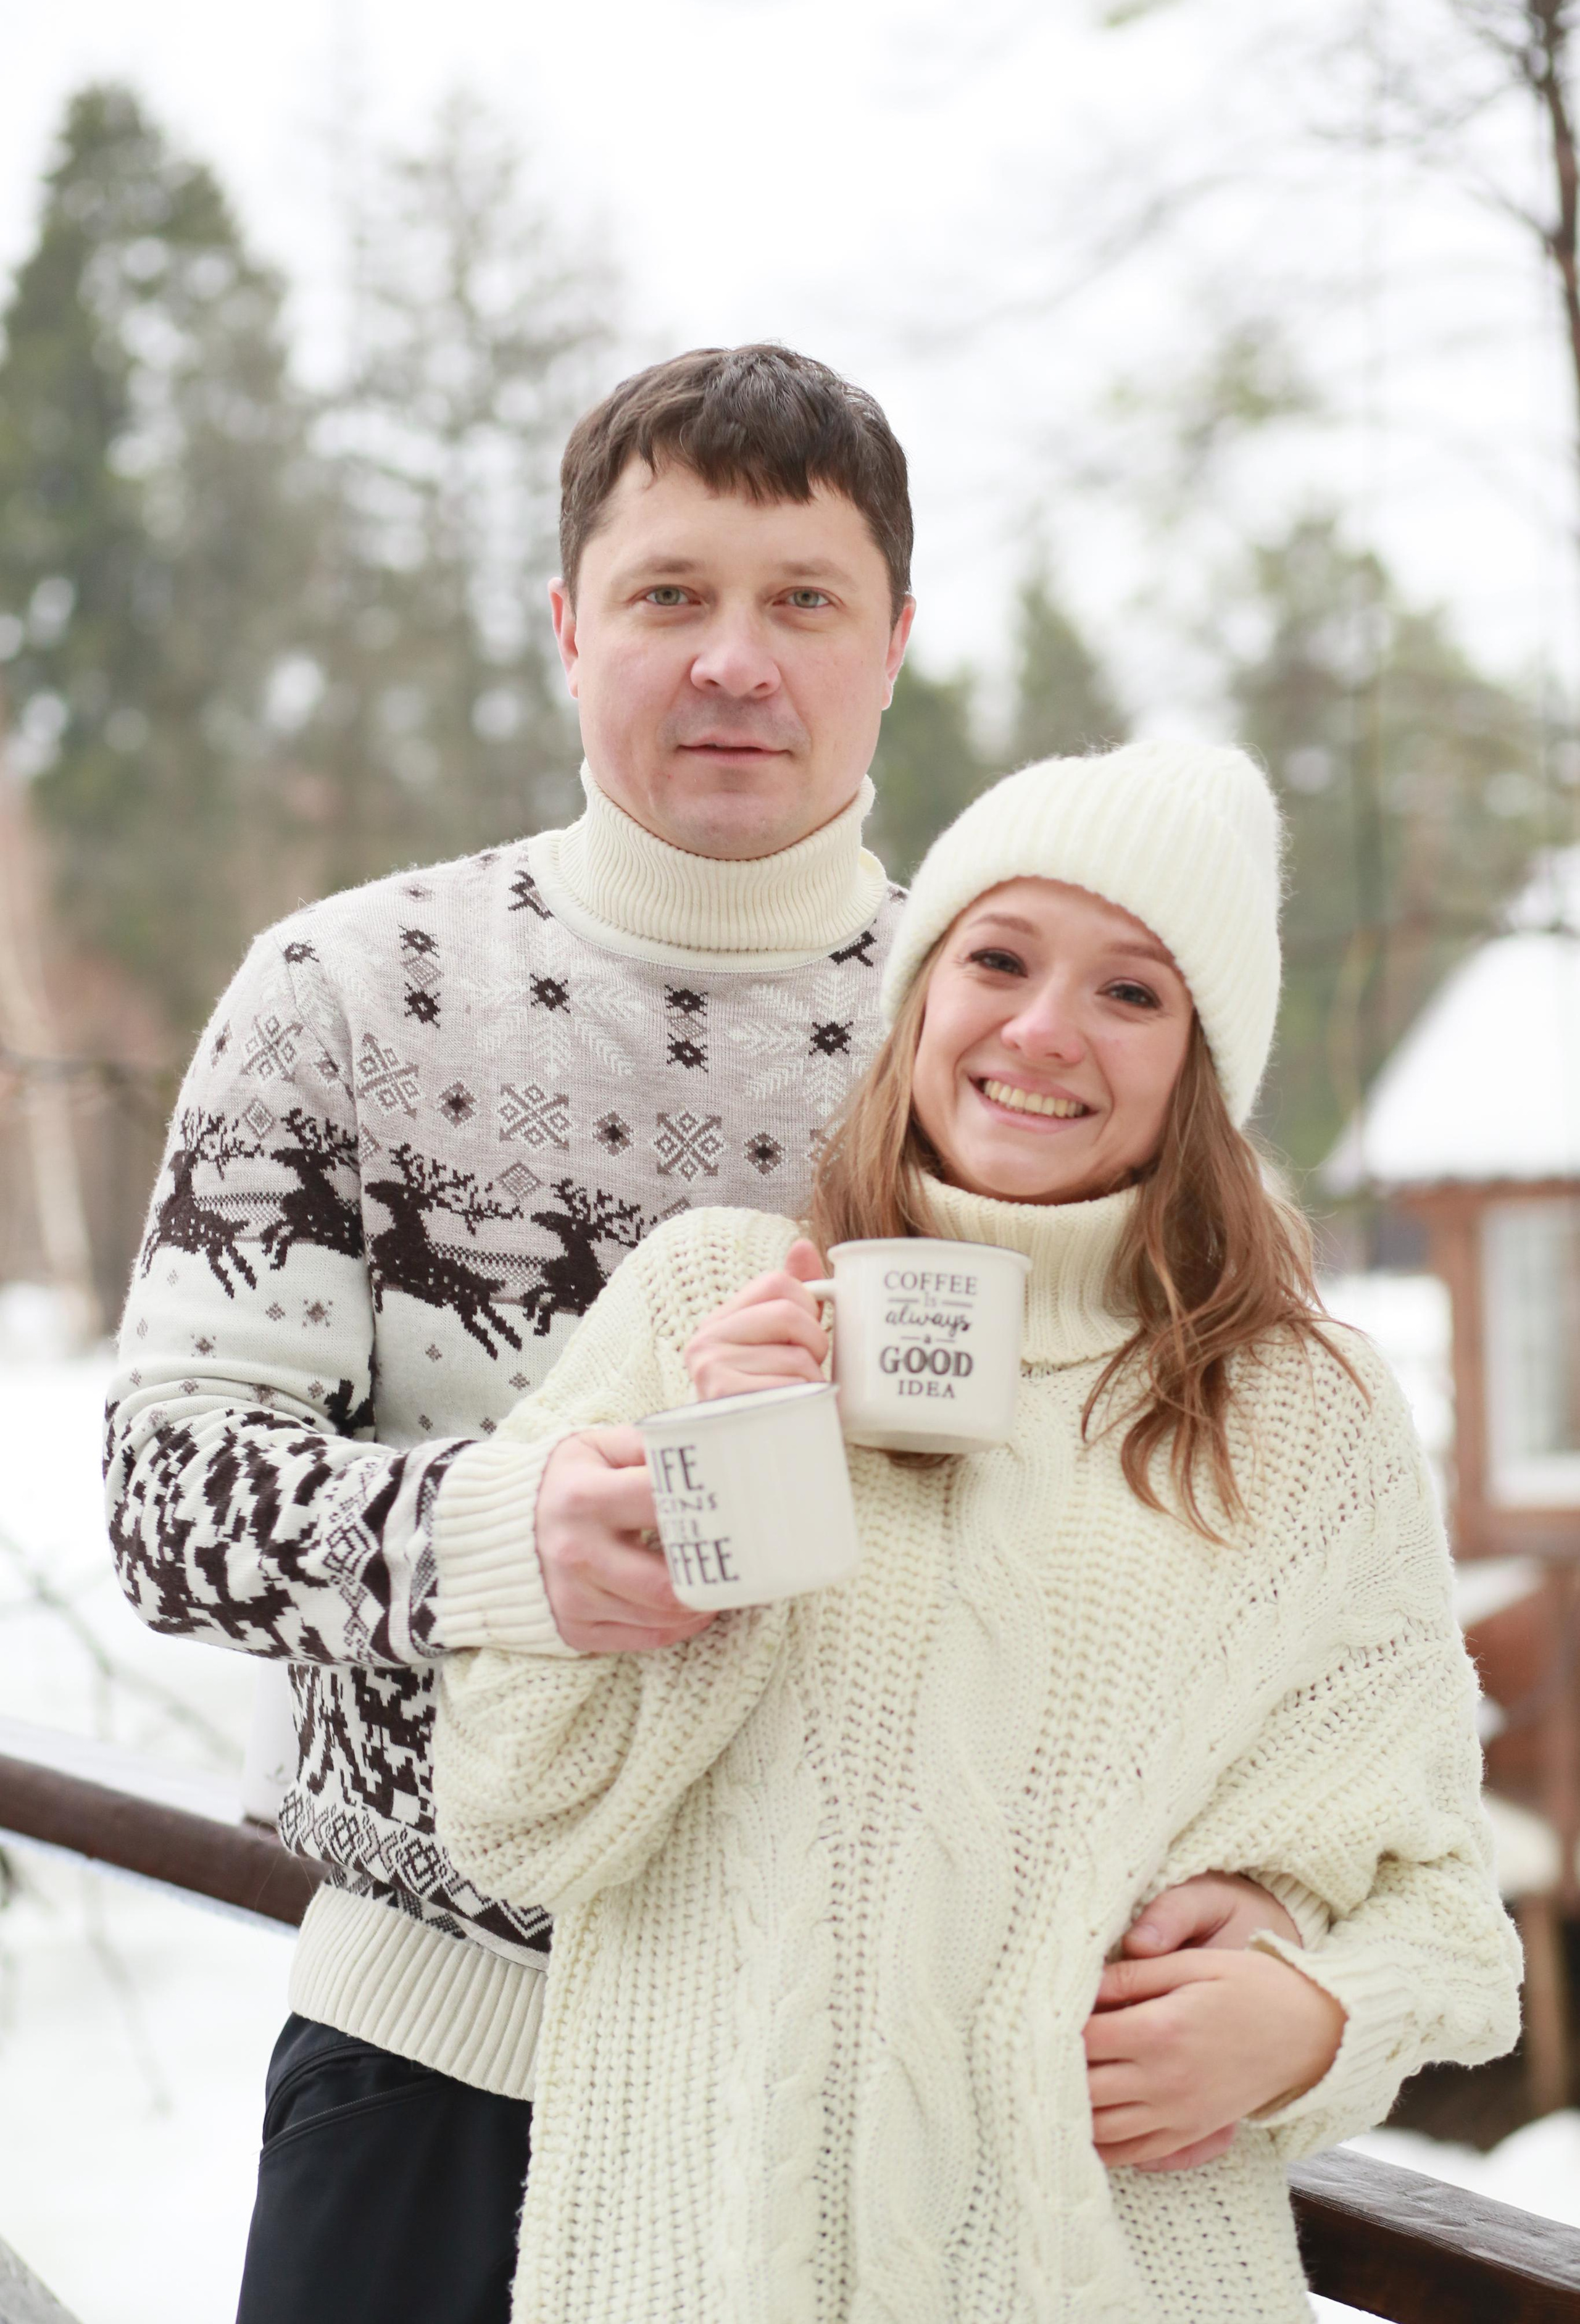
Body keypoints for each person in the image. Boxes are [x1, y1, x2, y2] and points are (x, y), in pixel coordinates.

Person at [107, 347, 1296, 2322]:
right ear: (570, 626)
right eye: (670, 594)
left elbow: (1199, 1537)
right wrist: (510, 1539)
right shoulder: (342, 996)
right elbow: (169, 1505)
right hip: (438, 2064)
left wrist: (1275, 1915)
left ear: (892, 643)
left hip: (855, 2129)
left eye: (803, 600)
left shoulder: (1024, 1039)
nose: (735, 660)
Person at [433, 737, 1521, 2322]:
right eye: (997, 959)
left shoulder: (1302, 1413)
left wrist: (1309, 2019)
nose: (1041, 1029)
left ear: (1199, 1064)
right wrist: (718, 1489)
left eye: (1130, 992)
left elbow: (1448, 1919)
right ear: (919, 993)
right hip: (700, 2277)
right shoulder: (703, 1301)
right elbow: (516, 1820)